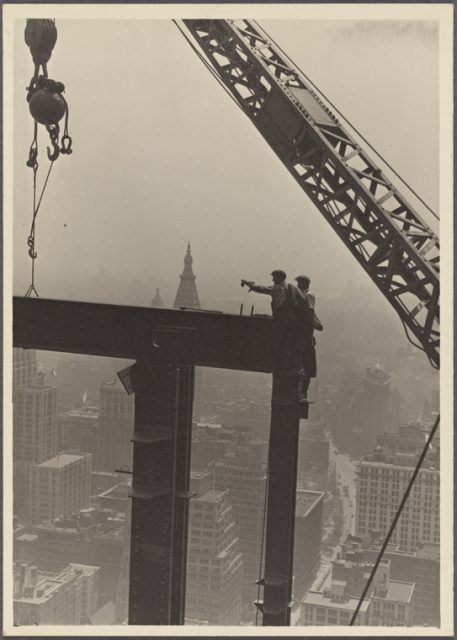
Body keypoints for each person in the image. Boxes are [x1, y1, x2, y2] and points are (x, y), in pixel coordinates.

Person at [241, 270, 304, 371]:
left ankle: (278, 363)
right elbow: (302, 300)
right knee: (288, 342)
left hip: (281, 320)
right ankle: (288, 364)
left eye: (274, 277)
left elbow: (263, 289)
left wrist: (250, 285)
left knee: (278, 341)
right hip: (293, 321)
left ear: (279, 277)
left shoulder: (277, 288)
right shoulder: (293, 287)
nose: (273, 279)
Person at [294, 275, 322, 399]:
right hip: (305, 336)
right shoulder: (304, 294)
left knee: (306, 365)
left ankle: (303, 391)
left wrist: (307, 324)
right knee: (305, 365)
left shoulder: (308, 295)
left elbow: (310, 311)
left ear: (304, 284)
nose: (298, 285)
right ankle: (302, 391)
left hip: (305, 338)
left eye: (299, 283)